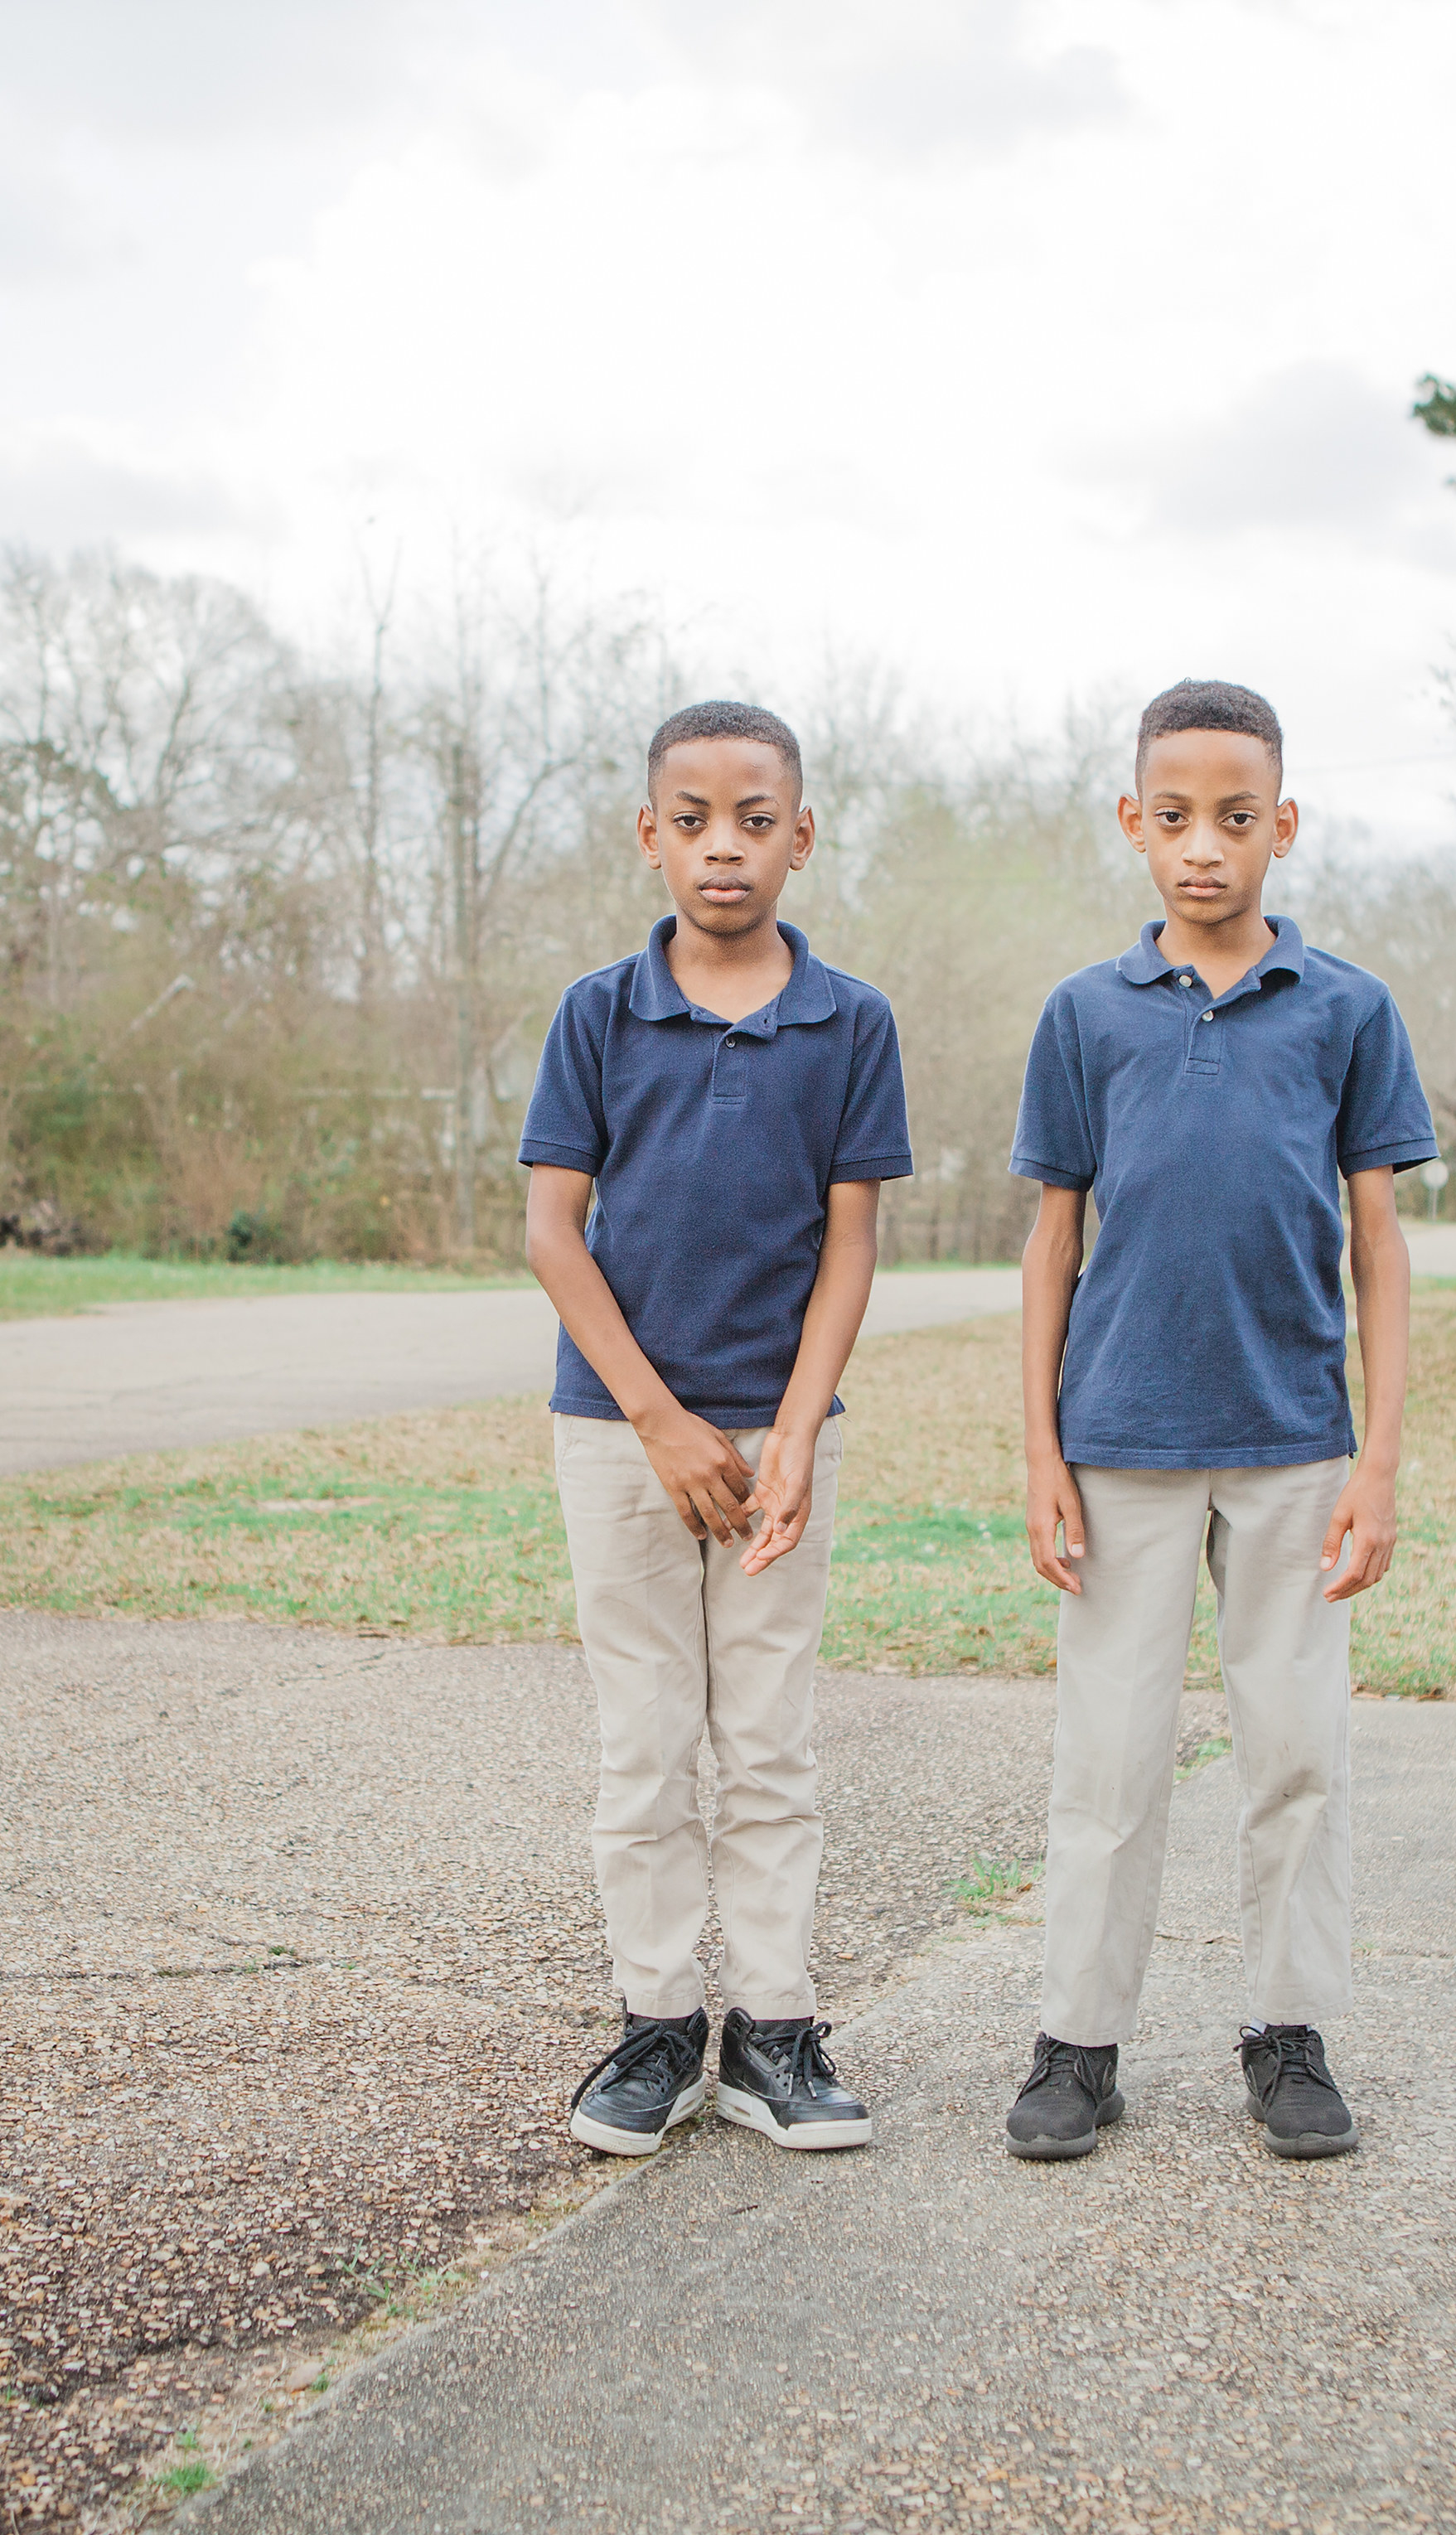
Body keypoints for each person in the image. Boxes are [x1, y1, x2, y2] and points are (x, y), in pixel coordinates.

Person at [1003, 679, 1434, 2165]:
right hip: (1117, 1439)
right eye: (1175, 817)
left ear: (1283, 826)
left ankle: (1290, 2032)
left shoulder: (1349, 1012)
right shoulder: (1084, 1016)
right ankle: (1078, 2041)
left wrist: (1377, 1460)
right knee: (1109, 1759)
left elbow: (1376, 1244)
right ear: (1134, 824)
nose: (1206, 846)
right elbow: (1052, 1244)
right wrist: (1042, 1453)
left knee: (1297, 1748)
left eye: (1236, 818)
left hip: (1296, 1443)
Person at [521, 699, 912, 2157]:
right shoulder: (597, 1013)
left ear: (800, 837)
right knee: (645, 1742)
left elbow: (851, 1244)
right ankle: (653, 2029)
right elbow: (557, 1233)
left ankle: (774, 2033)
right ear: (650, 837)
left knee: (767, 1743)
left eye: (755, 821)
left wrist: (797, 1430)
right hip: (621, 1433)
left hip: (779, 1441)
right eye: (692, 821)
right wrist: (659, 1423)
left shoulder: (850, 1021)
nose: (723, 848)